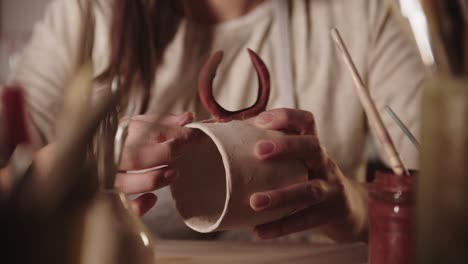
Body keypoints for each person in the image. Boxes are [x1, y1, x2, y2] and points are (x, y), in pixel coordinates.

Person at [1, 0, 425, 242]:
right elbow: (9, 176)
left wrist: (356, 208)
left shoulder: (363, 13)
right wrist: (67, 168)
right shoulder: (91, 11)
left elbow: (444, 204)